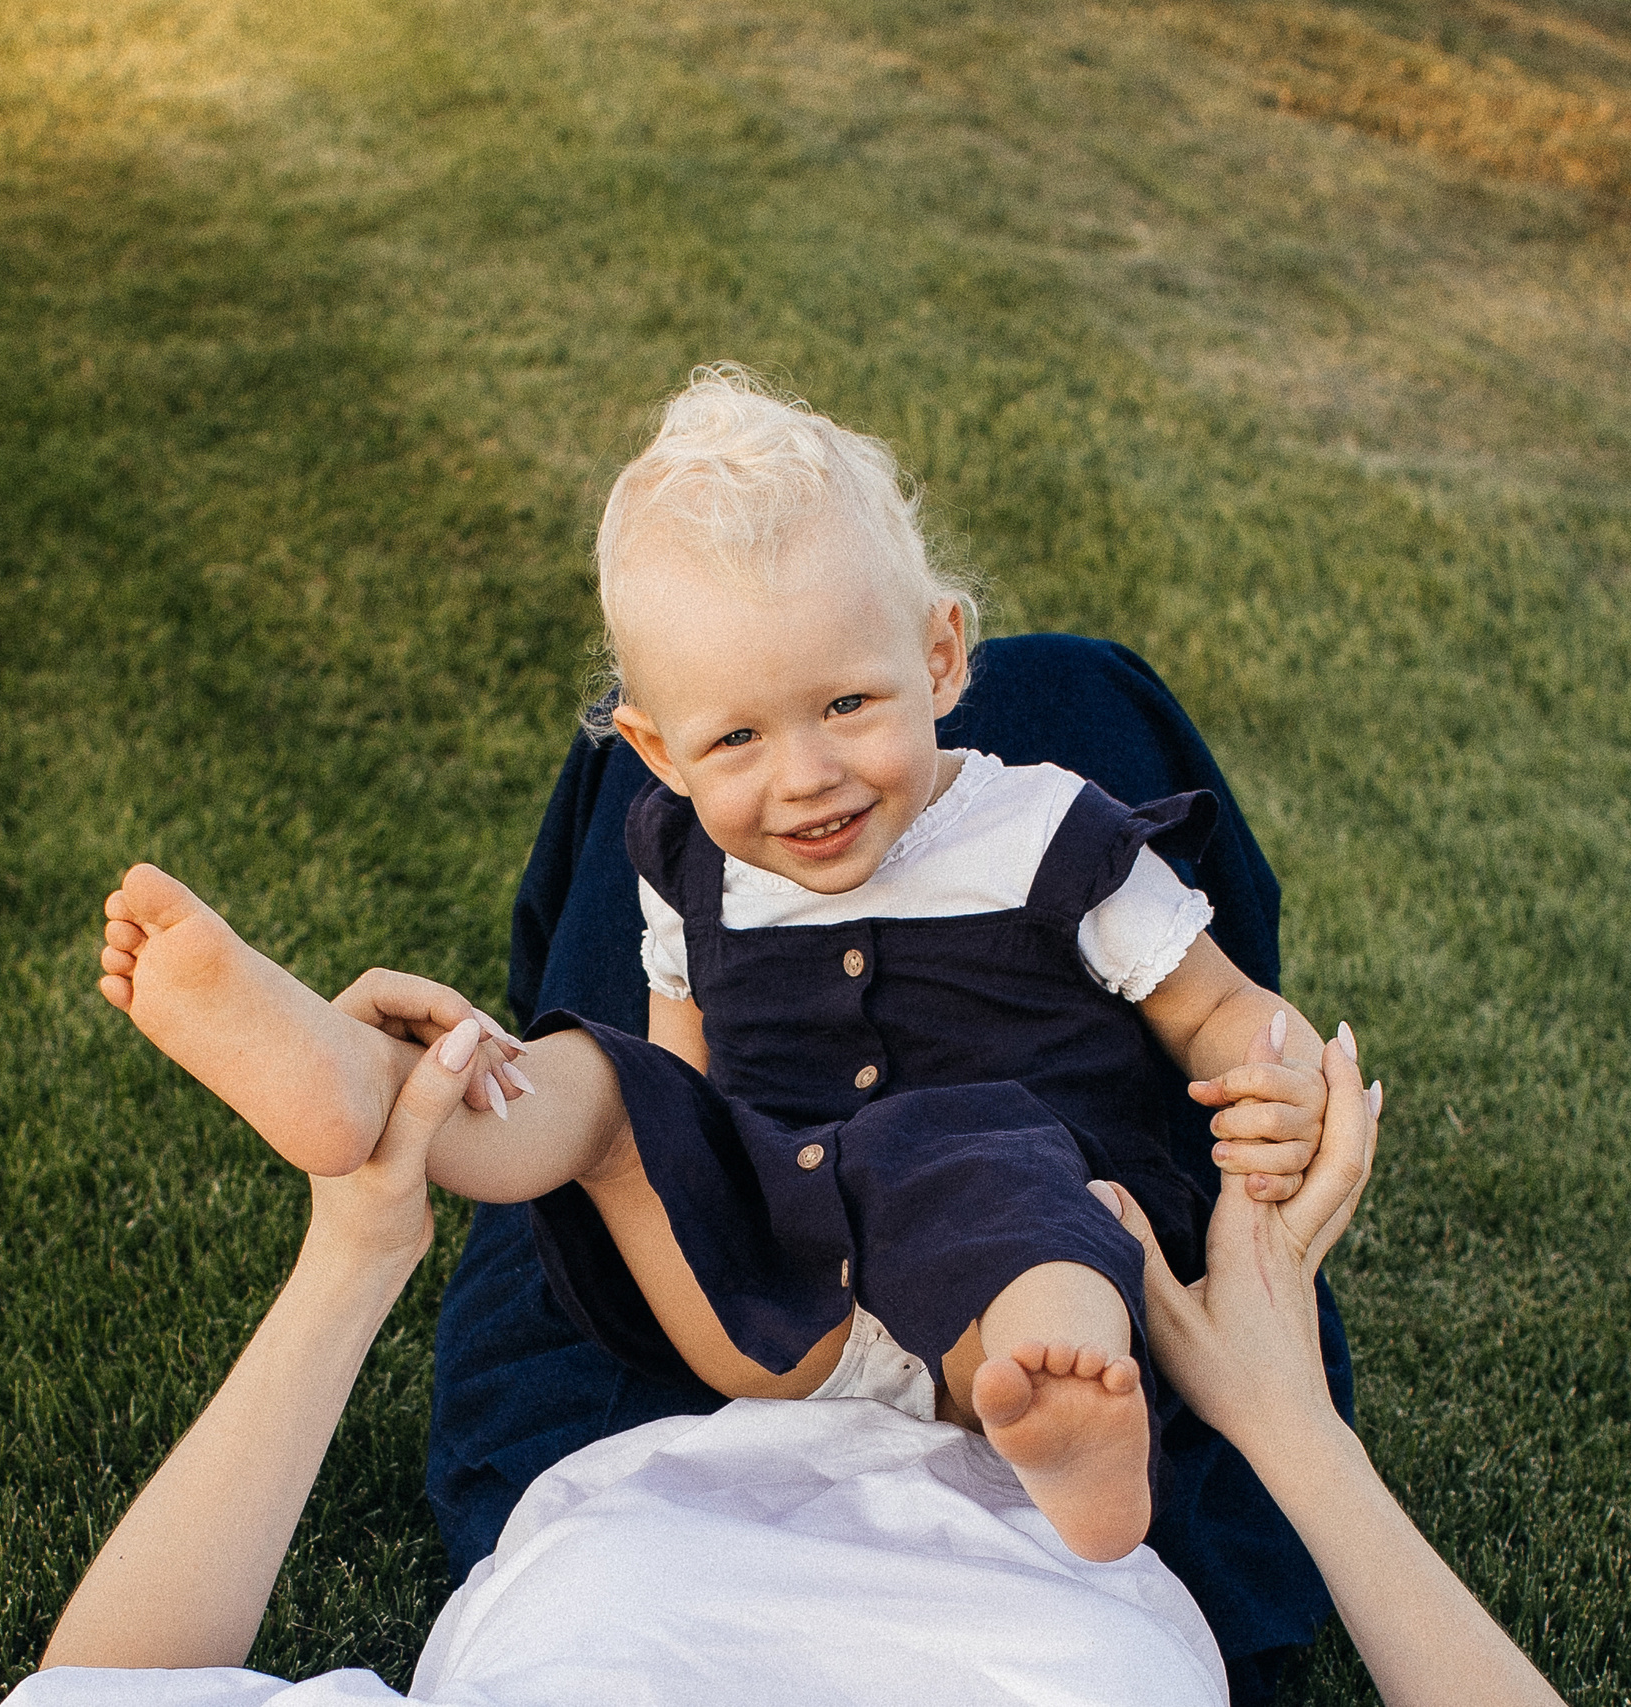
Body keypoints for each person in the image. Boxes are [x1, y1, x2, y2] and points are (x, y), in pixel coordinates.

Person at [95, 368, 1332, 1563]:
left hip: (1000, 1281)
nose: (804, 775)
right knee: (607, 1087)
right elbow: (678, 1075)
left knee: (1028, 1193)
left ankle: (1071, 1422)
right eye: (735, 735)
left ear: (942, 658)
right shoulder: (683, 862)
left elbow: (1218, 1007)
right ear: (655, 749)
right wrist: (657, 1142)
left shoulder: (1055, 833)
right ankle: (371, 1090)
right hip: (771, 1296)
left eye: (848, 704)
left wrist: (1271, 1080)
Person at [4, 993, 1564, 1707]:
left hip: (629, 1404)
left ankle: (716, 753)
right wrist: (1289, 1425)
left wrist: (354, 1254)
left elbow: (103, 1691)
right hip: (1091, 1447)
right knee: (1079, 853)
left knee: (639, 1002)